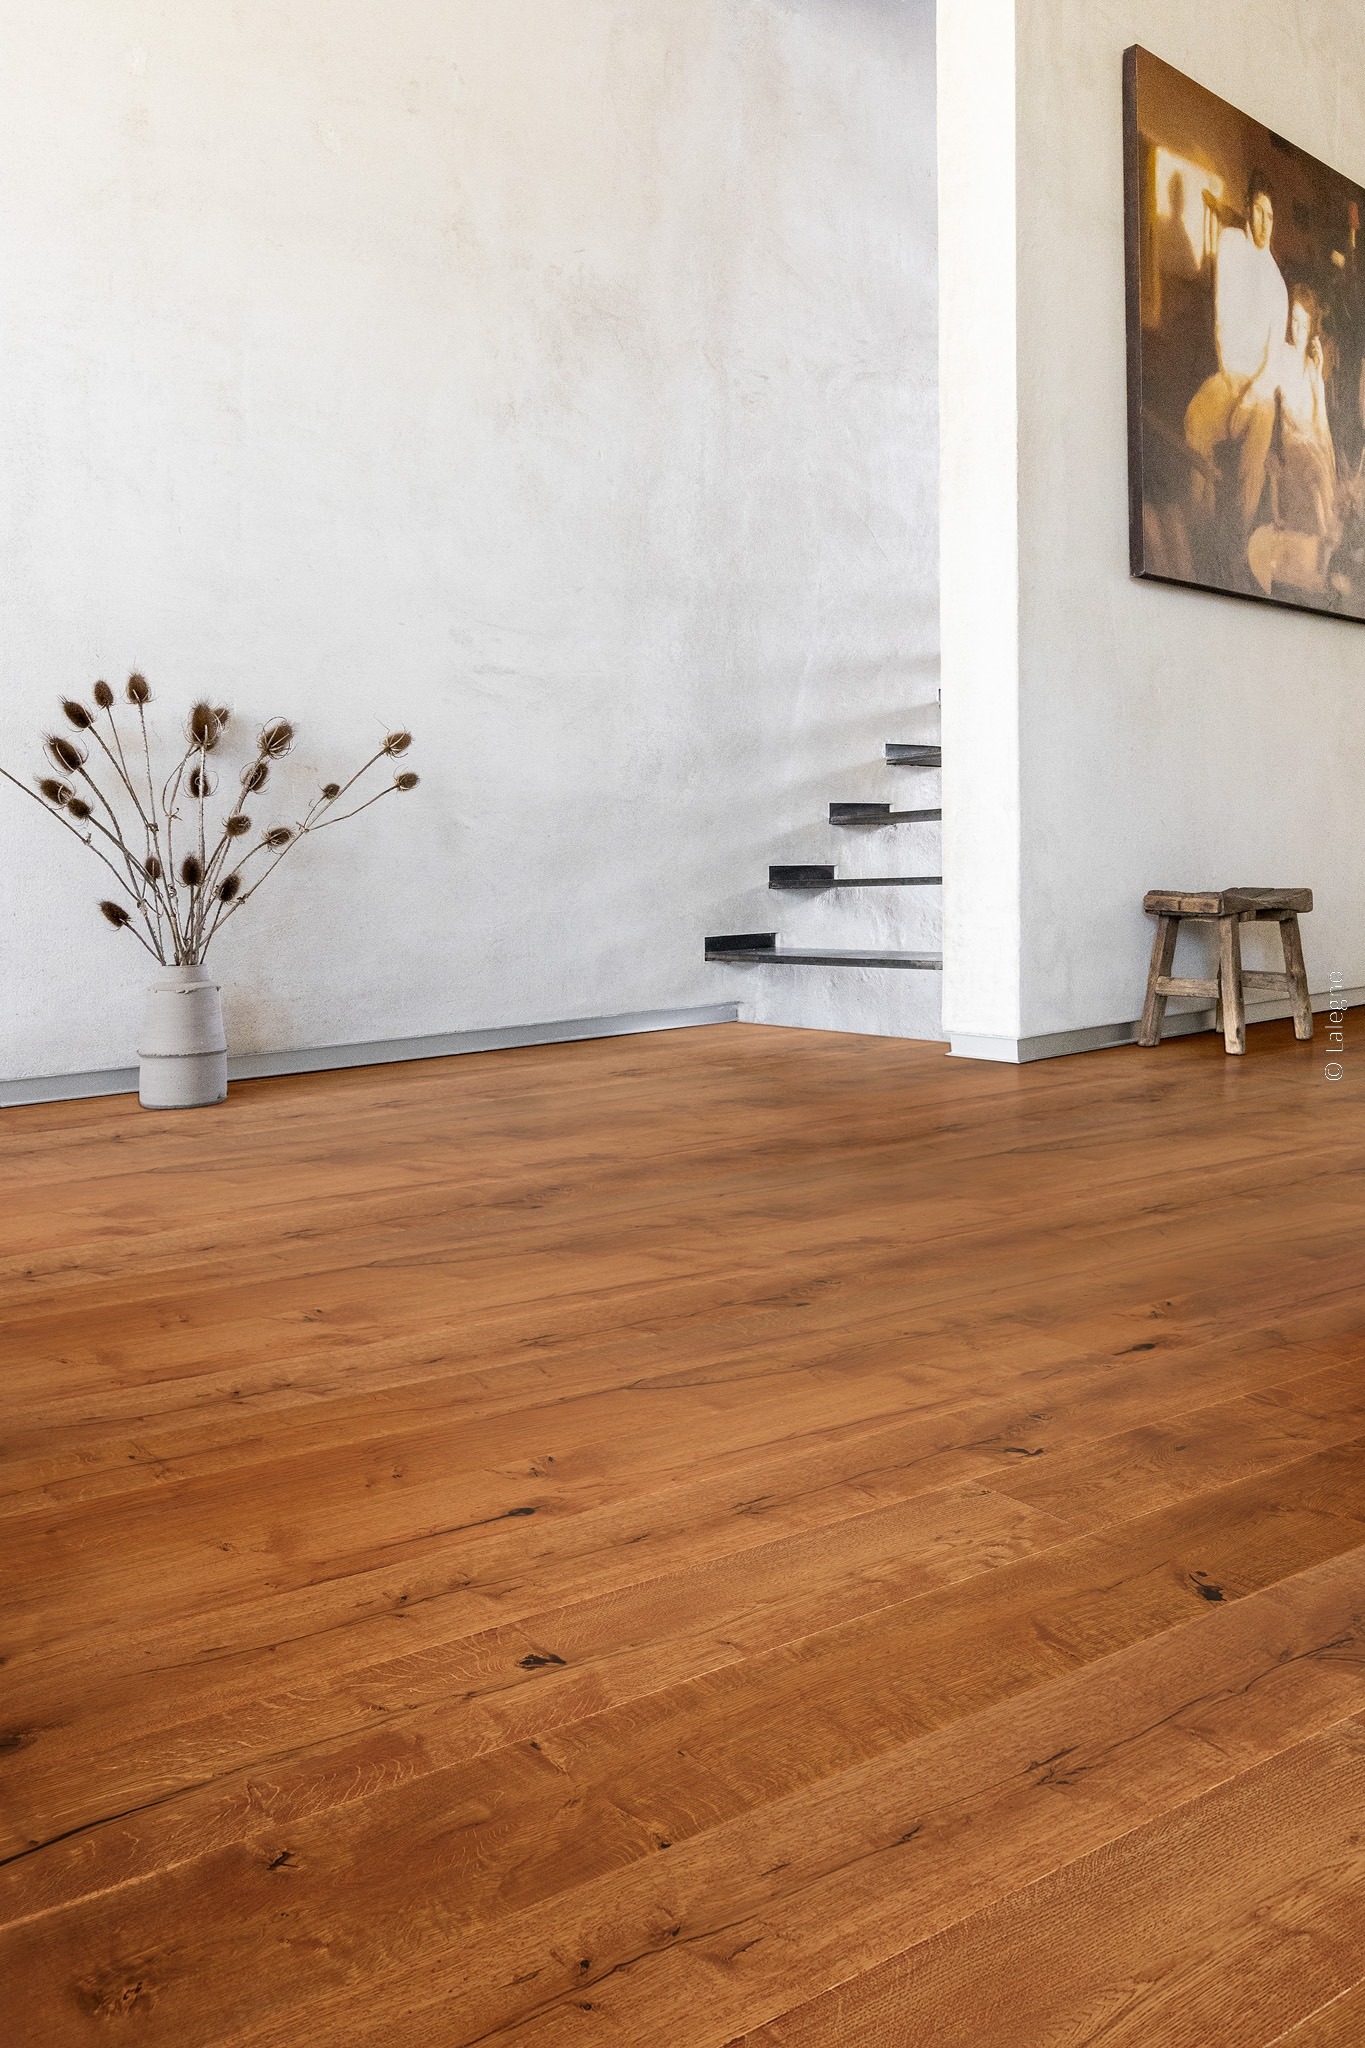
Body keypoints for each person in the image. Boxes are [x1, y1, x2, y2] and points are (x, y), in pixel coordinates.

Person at [1185, 174, 1289, 541]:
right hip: (1228, 375)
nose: (1264, 222)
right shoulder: (1230, 244)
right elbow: (1222, 313)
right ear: (1248, 210)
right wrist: (1229, 377)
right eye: (1258, 211)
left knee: (1257, 441)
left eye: (1270, 216)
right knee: (1196, 418)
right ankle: (1202, 527)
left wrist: (1253, 393)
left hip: (1259, 388)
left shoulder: (1278, 285)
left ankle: (1237, 539)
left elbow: (1274, 353)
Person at [1246, 284, 1340, 597]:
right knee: (1311, 464)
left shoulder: (1313, 367)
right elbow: (1265, 398)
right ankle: (1324, 538)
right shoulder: (1283, 358)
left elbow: (1320, 422)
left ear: (1313, 326)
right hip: (1290, 448)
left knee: (1318, 465)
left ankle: (1322, 555)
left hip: (1308, 447)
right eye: (1294, 321)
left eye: (1304, 323)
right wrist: (1271, 448)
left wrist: (1319, 368)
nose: (1297, 329)